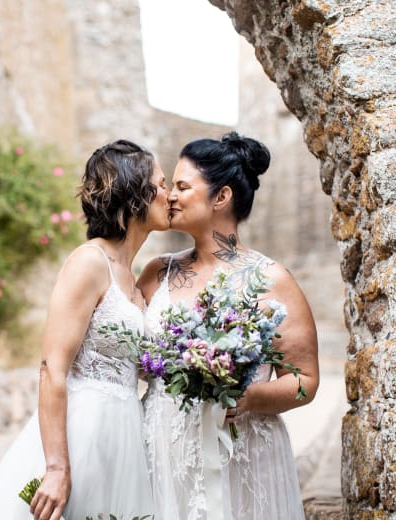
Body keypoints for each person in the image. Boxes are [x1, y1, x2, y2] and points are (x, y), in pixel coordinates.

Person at [0, 140, 170, 520]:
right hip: (82, 433)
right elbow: (52, 368)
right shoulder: (89, 262)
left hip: (125, 437)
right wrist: (57, 467)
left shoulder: (135, 281)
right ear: (135, 193)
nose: (169, 194)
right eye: (162, 183)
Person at [138, 132, 319, 520]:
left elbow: (304, 381)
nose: (170, 195)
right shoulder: (157, 273)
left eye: (183, 186)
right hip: (165, 452)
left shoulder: (272, 280)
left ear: (221, 197)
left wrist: (250, 398)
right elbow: (133, 357)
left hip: (244, 453)